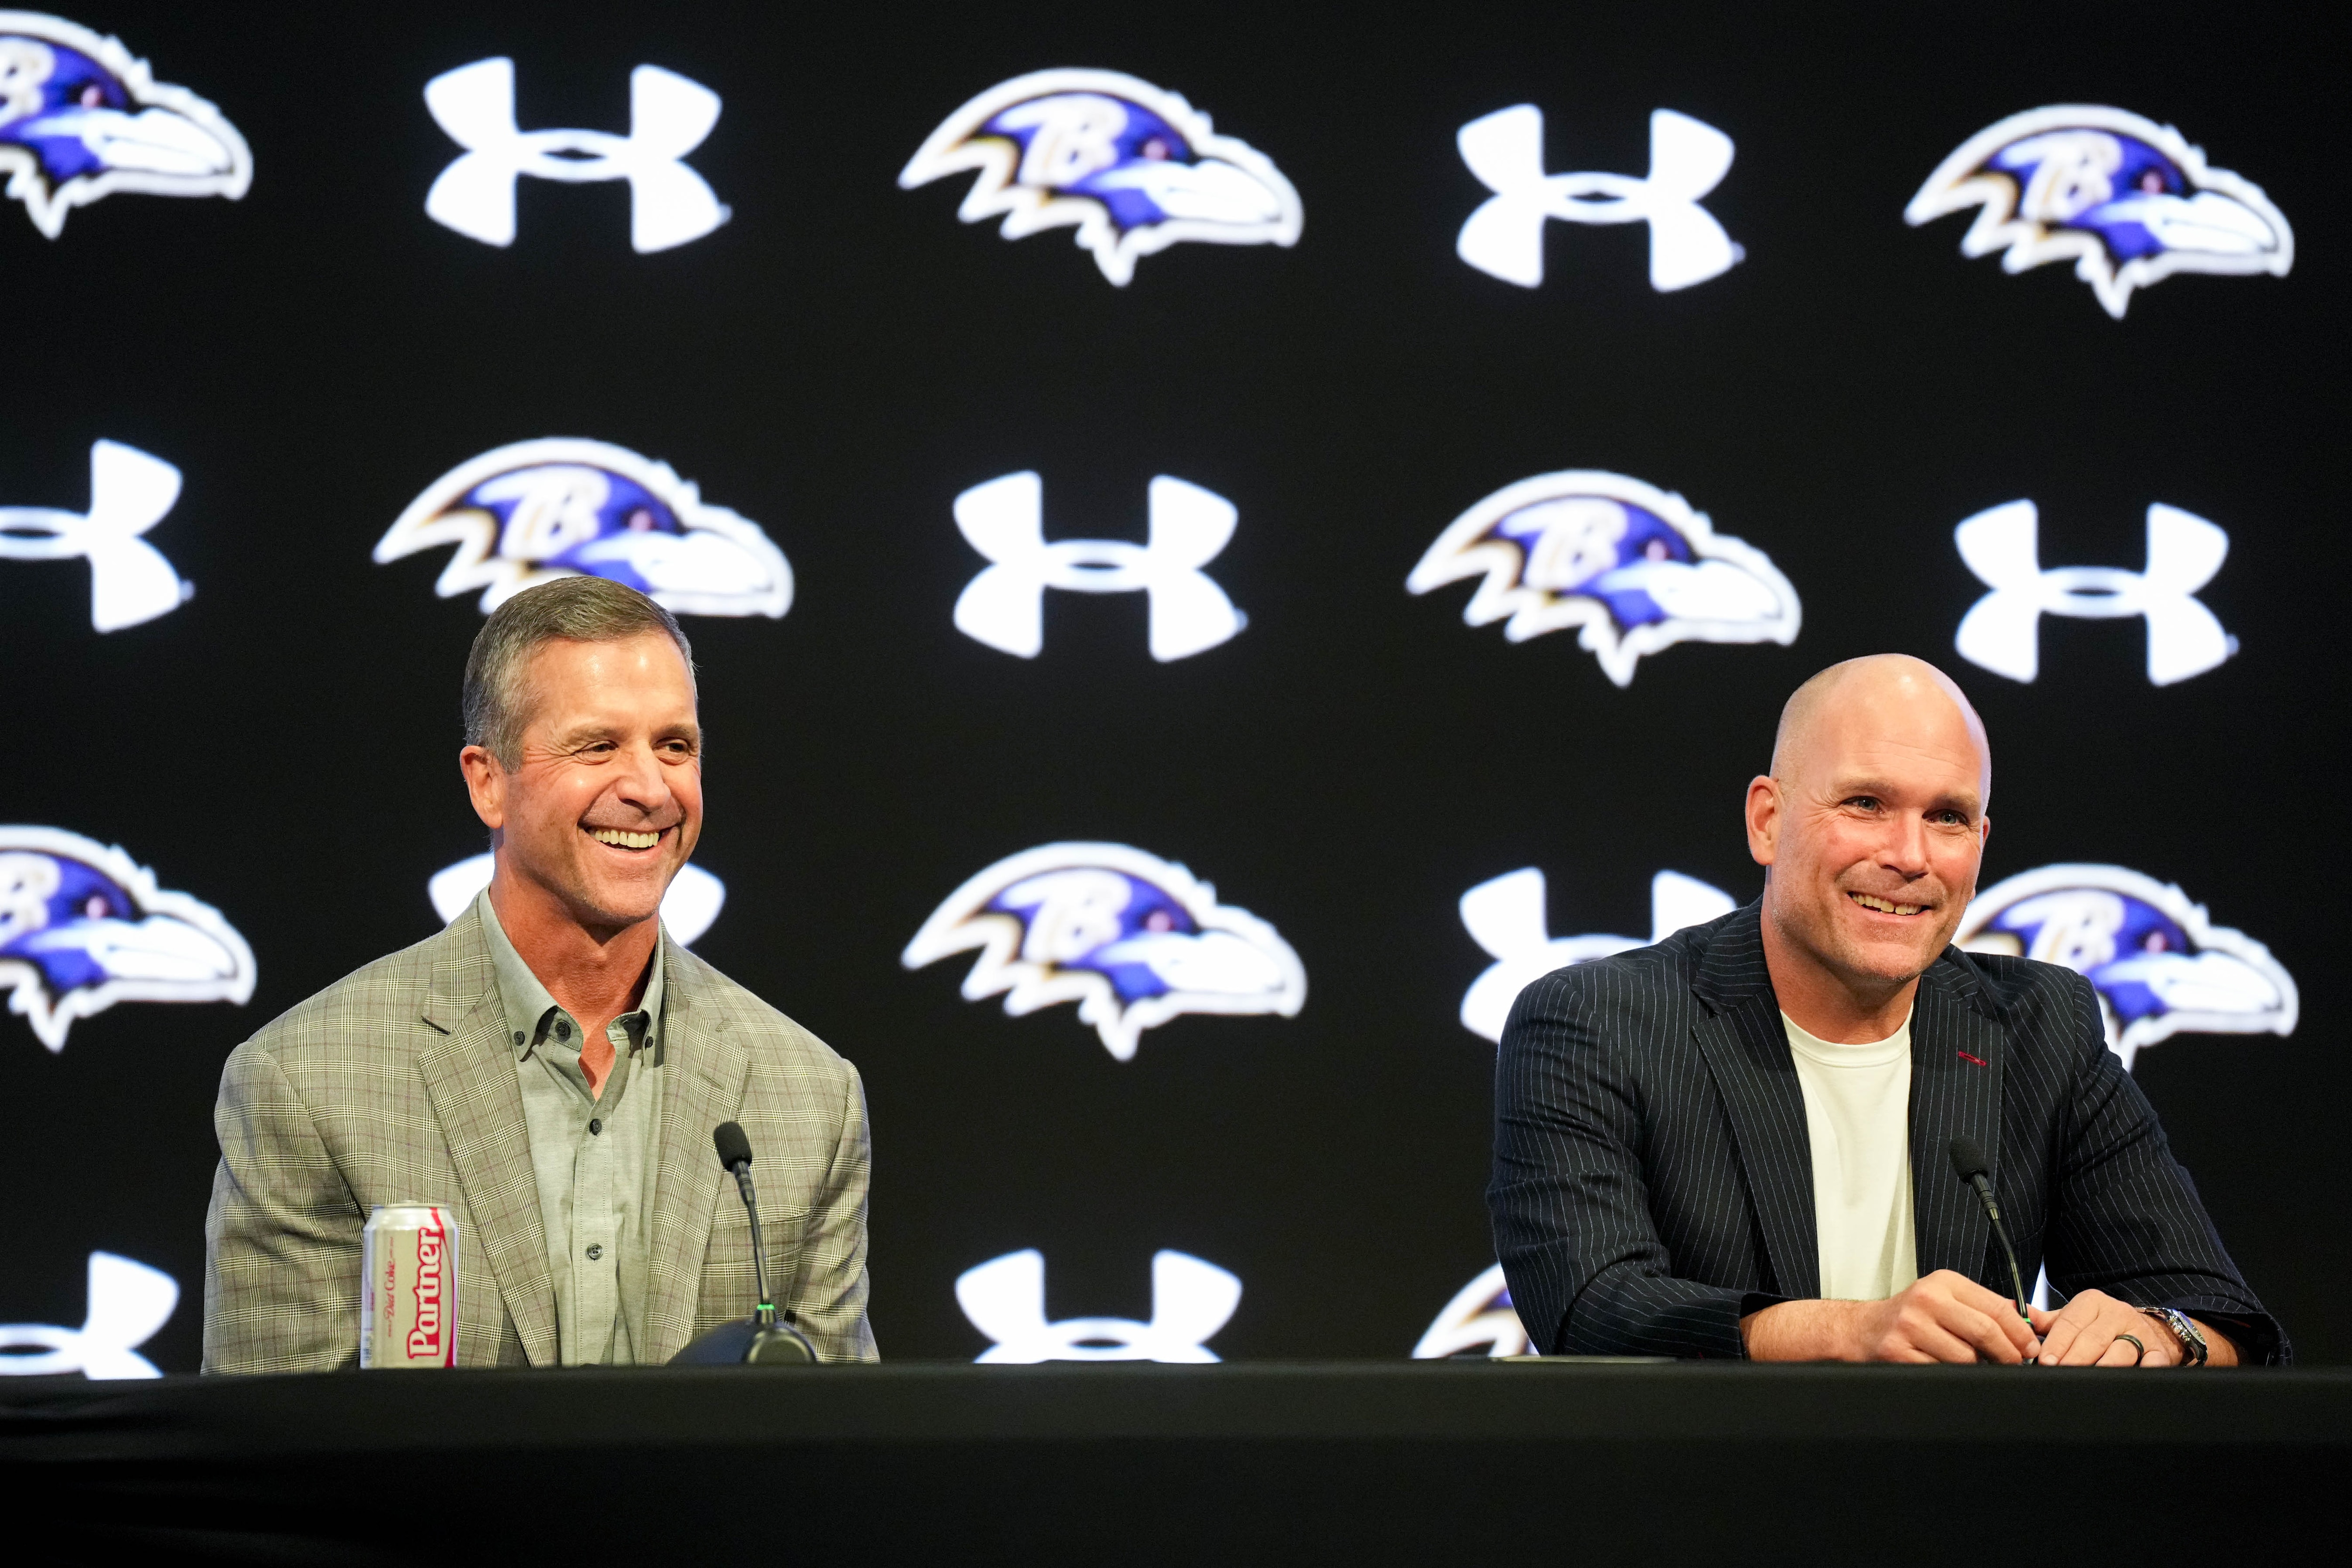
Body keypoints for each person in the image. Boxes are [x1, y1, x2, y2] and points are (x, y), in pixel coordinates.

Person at [1490, 654, 2281, 1365]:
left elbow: (2227, 1323)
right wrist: (1853, 1331)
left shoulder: (2044, 1024)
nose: (1910, 855)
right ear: (1768, 820)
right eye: (1866, 803)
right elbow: (1590, 1306)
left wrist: (2158, 1336)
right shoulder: (1594, 1023)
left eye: (1948, 817)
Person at [205, 577, 874, 1370]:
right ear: (488, 781)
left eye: (675, 746)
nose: (650, 788)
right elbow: (280, 1459)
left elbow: (830, 1456)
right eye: (598, 745)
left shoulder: (807, 1095)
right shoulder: (308, 1082)